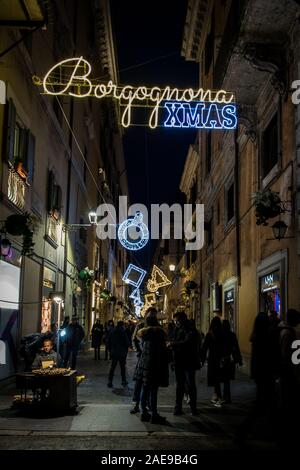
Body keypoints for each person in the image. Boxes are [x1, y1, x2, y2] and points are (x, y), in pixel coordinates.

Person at [135, 312, 169, 424]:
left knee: (145, 389)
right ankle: (154, 414)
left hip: (144, 364)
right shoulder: (160, 334)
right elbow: (163, 350)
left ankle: (143, 412)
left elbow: (141, 346)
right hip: (155, 363)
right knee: (154, 390)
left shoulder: (143, 334)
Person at [170, 311, 200, 416]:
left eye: (177, 320)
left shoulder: (191, 329)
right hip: (179, 361)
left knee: (190, 384)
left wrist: (173, 344)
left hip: (189, 361)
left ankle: (193, 408)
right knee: (180, 385)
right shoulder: (177, 329)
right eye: (175, 321)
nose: (176, 322)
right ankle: (178, 407)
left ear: (183, 319)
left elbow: (188, 342)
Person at [201, 316, 225, 407]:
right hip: (220, 358)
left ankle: (218, 396)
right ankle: (217, 395)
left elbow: (204, 348)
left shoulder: (209, 334)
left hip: (212, 358)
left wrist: (202, 360)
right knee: (218, 377)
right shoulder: (222, 334)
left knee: (215, 377)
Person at [221, 319, 243, 404]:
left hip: (223, 359)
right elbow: (236, 347)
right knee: (227, 379)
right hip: (230, 359)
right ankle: (227, 396)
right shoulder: (232, 335)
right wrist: (239, 359)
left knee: (225, 379)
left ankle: (225, 396)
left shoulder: (221, 335)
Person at [107, 321, 130, 388]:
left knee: (112, 368)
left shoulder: (112, 331)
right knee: (122, 368)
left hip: (114, 353)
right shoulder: (123, 332)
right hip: (122, 353)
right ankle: (123, 380)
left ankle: (110, 381)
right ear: (122, 325)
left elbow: (108, 341)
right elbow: (127, 342)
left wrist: (110, 350)